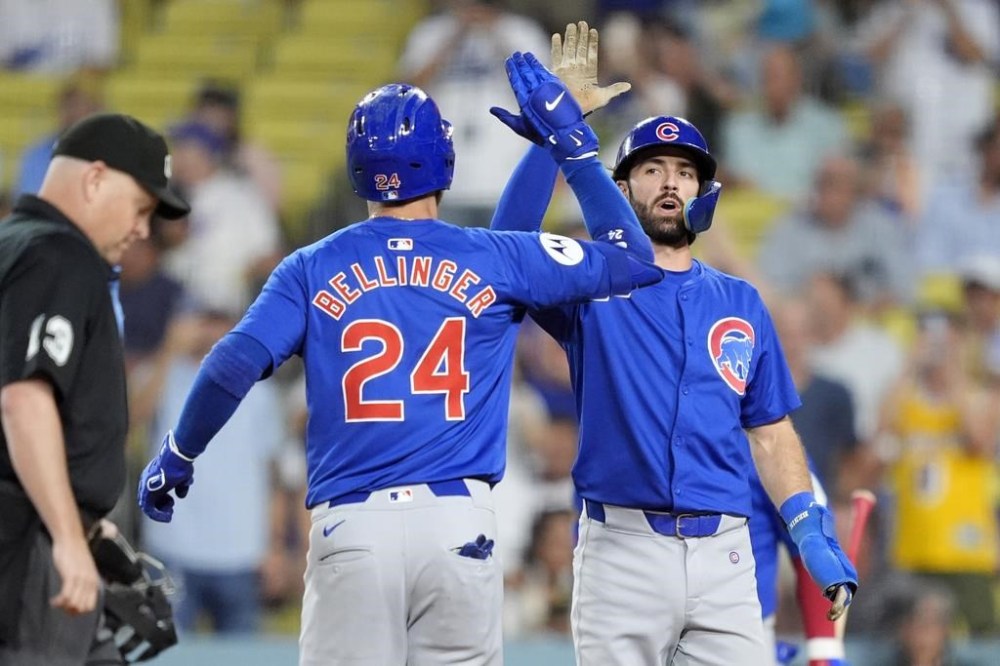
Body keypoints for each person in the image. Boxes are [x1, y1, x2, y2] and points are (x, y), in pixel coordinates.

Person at [136, 66, 665, 664]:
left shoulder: (310, 266)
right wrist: (566, 143)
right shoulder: (491, 256)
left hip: (352, 529)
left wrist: (178, 455)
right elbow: (633, 259)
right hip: (459, 525)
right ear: (444, 158)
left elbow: (233, 363)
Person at [489, 23, 857, 664]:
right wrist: (556, 134)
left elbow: (770, 434)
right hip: (621, 552)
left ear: (703, 191)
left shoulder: (740, 302)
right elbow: (505, 253)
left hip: (727, 554)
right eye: (651, 168)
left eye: (684, 172)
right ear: (622, 186)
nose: (668, 182)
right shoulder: (588, 277)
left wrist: (808, 527)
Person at [0, 113, 189, 664]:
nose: (142, 229)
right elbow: (25, 399)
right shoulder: (60, 255)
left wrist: (88, 526)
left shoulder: (14, 244)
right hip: (30, 551)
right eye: (141, 207)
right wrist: (65, 533)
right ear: (95, 178)